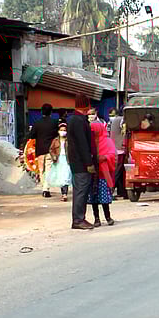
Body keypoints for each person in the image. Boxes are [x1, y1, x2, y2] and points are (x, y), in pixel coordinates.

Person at [66, 96, 98, 231]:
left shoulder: (75, 119)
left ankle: (80, 218)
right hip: (80, 163)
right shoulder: (78, 121)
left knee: (81, 190)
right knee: (81, 191)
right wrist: (89, 163)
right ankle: (78, 219)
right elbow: (82, 144)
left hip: (77, 161)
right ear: (86, 105)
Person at [29, 104, 60, 198]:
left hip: (40, 150)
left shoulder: (37, 123)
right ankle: (46, 189)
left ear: (41, 112)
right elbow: (57, 135)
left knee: (41, 170)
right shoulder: (55, 123)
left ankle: (44, 188)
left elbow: (32, 136)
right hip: (50, 150)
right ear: (51, 112)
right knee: (49, 170)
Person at [89, 121, 117, 226]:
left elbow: (112, 155)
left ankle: (108, 217)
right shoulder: (89, 141)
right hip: (92, 173)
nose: (94, 132)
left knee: (104, 198)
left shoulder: (107, 141)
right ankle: (96, 219)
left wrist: (104, 157)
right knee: (94, 198)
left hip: (103, 174)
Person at [46, 123, 72, 202]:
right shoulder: (55, 140)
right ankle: (63, 193)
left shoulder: (70, 140)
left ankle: (65, 194)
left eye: (64, 130)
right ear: (58, 131)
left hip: (67, 160)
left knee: (66, 177)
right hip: (58, 160)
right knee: (61, 178)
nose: (63, 132)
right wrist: (53, 156)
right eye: (61, 130)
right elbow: (51, 149)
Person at [109, 108, 128, 199]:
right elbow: (125, 132)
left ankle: (122, 191)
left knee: (120, 172)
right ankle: (110, 191)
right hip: (119, 150)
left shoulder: (116, 120)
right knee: (117, 171)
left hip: (116, 148)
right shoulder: (121, 120)